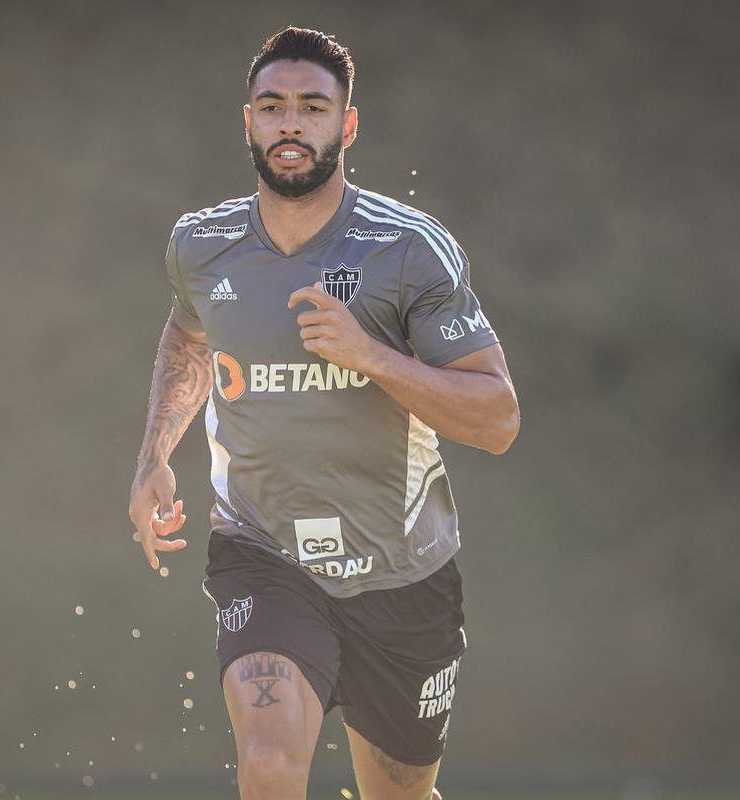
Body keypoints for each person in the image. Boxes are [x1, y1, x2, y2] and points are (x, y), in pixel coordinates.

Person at [127, 26, 520, 800]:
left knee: (399, 794)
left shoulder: (407, 251)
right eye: (272, 106)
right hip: (263, 555)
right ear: (248, 123)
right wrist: (153, 456)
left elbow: (497, 419)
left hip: (403, 573)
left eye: (312, 107)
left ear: (347, 125)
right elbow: (188, 332)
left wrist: (371, 354)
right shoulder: (201, 245)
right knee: (270, 766)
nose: (290, 123)